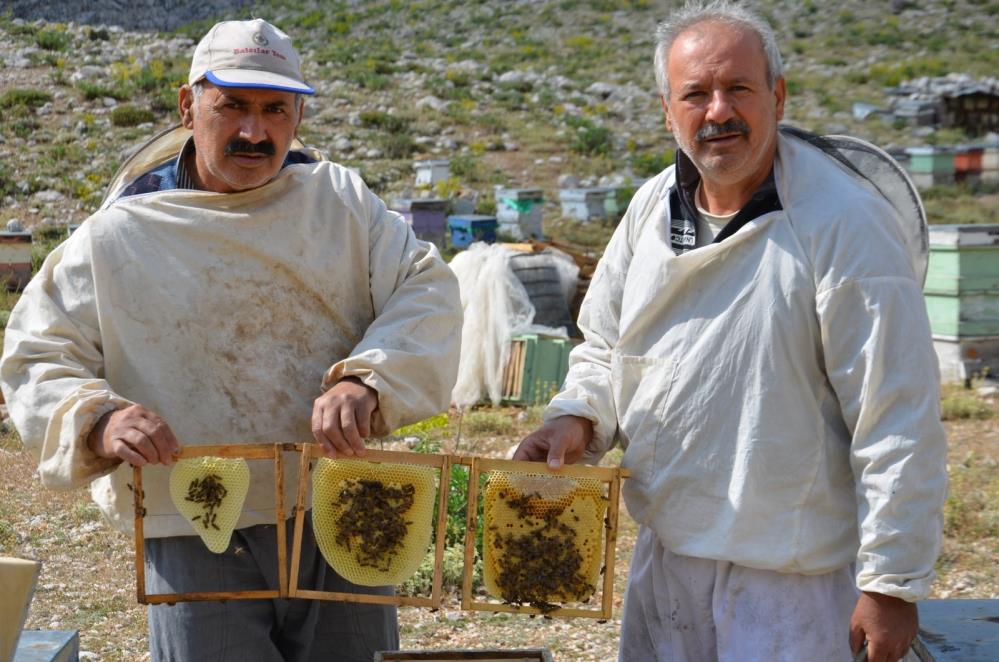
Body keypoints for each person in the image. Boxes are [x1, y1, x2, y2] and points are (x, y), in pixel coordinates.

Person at [1, 18, 462, 662]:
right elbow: (35, 352)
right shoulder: (119, 235)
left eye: (275, 109)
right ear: (190, 106)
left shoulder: (341, 204)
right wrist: (99, 420)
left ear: (297, 115)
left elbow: (426, 290)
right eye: (234, 106)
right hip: (194, 520)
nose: (255, 131)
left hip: (338, 501)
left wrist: (368, 378)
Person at [514, 2, 947, 661]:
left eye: (737, 88)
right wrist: (576, 418)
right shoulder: (649, 208)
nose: (717, 111)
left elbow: (896, 414)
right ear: (668, 110)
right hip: (667, 559)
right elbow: (604, 345)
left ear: (776, 95)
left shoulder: (842, 221)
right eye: (695, 94)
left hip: (792, 579)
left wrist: (890, 581)